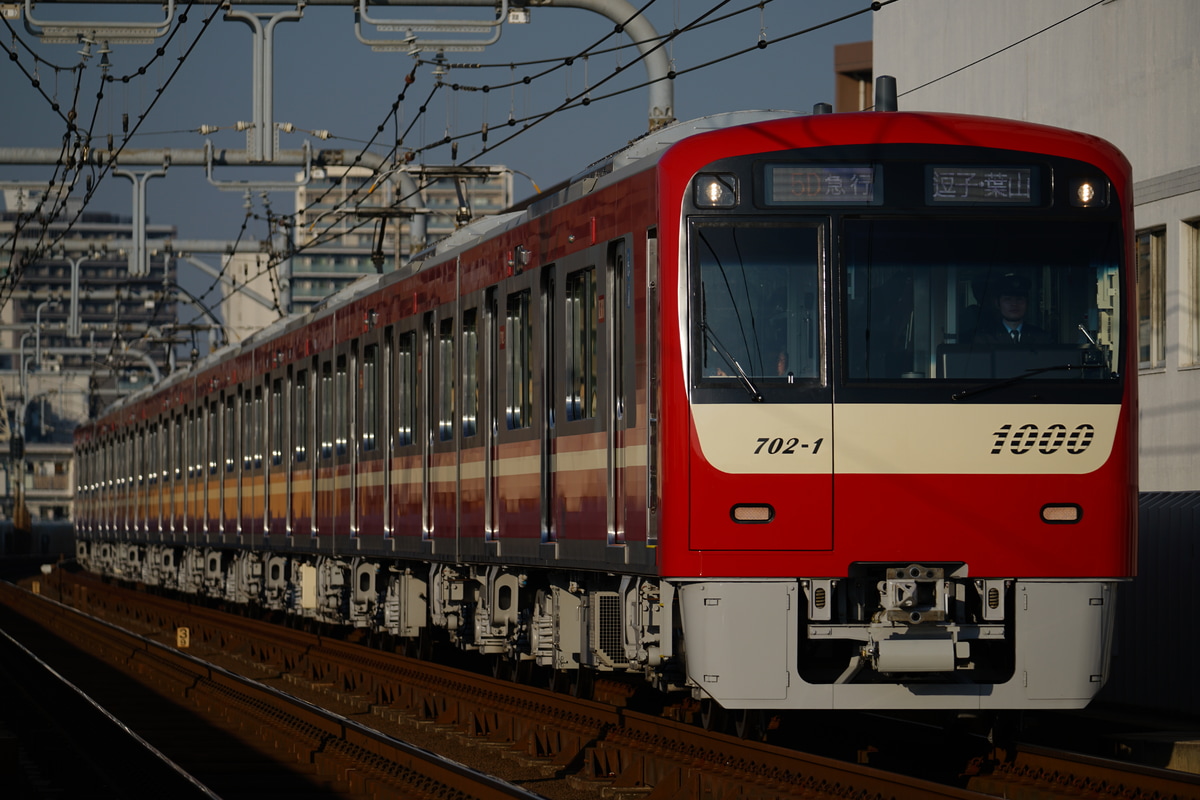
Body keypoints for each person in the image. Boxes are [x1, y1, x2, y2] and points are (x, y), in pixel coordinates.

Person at [973, 275, 1051, 344]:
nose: (1014, 304)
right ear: (997, 303)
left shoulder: (1041, 337)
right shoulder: (985, 338)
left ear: (1027, 303)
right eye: (1007, 299)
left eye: (1019, 299)